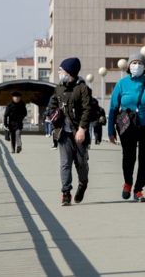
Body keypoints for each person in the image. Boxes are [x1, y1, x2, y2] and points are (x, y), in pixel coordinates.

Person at [108, 53, 145, 202]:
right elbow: (113, 108)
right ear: (129, 66)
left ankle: (138, 189)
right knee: (129, 157)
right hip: (127, 125)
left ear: (144, 66)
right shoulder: (122, 84)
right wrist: (110, 131)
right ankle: (128, 183)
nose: (137, 65)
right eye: (134, 63)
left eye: (140, 63)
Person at [46, 57, 92, 206]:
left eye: (61, 70)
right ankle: (66, 193)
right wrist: (52, 114)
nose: (59, 73)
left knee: (81, 163)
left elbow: (87, 110)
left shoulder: (82, 88)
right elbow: (52, 105)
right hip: (63, 133)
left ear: (69, 72)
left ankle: (83, 184)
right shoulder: (59, 88)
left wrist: (82, 129)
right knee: (65, 164)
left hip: (78, 133)